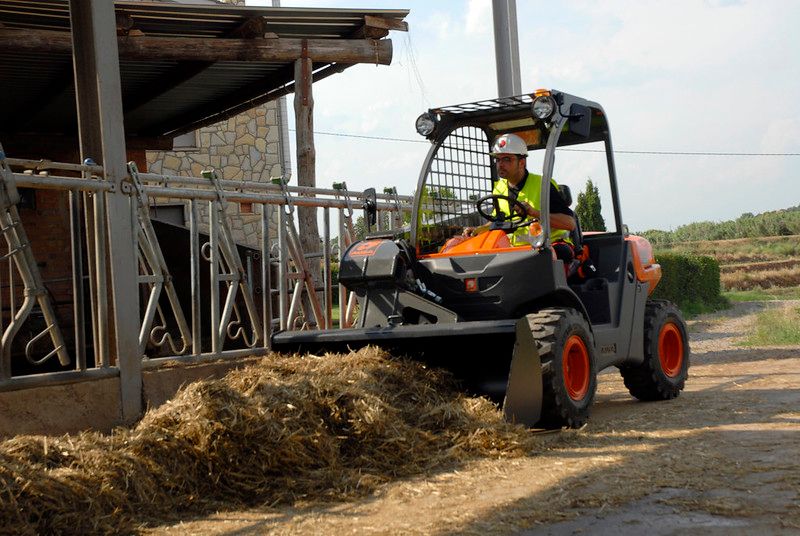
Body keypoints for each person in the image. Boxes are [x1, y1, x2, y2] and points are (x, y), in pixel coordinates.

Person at [463, 133, 576, 263]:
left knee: (544, 257)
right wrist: (479, 230)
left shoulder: (543, 185)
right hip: (515, 251)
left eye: (507, 159)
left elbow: (570, 223)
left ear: (522, 162)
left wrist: (533, 212)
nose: (500, 164)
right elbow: (498, 220)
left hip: (549, 246)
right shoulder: (499, 188)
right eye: (498, 160)